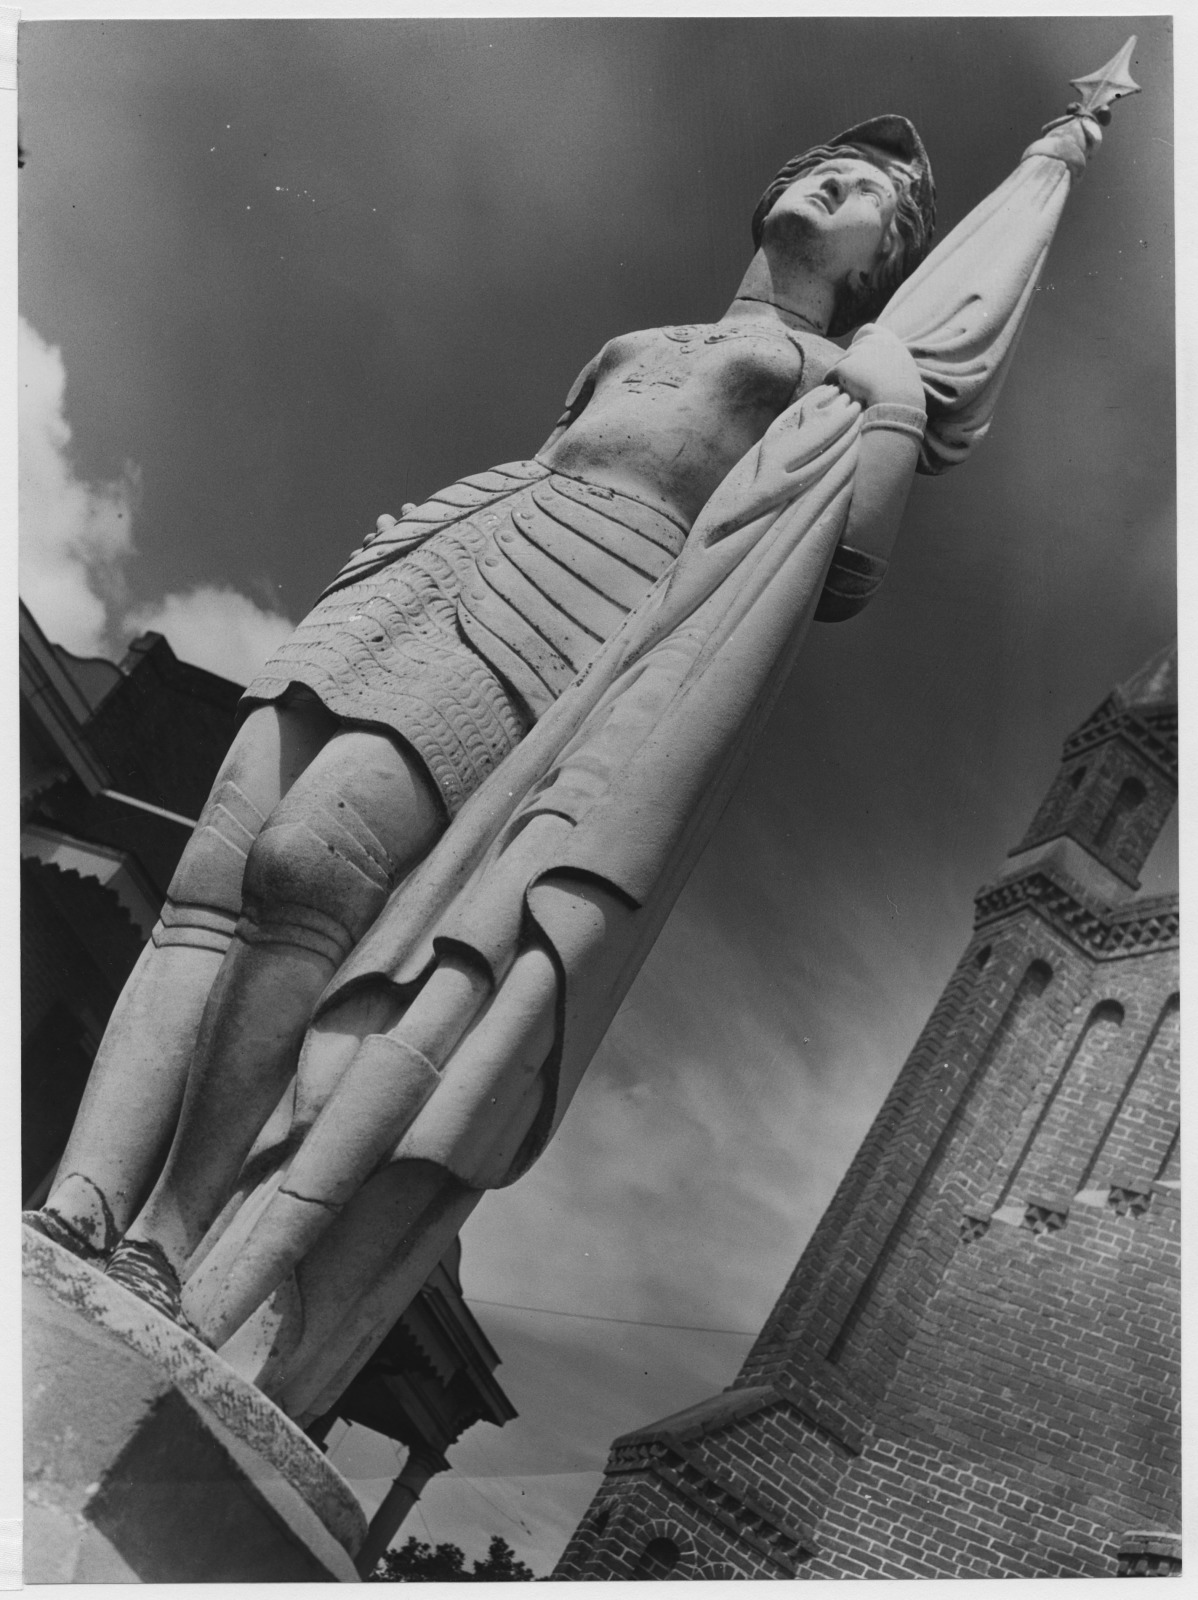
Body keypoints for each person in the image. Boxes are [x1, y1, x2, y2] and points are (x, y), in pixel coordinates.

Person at [32, 103, 1105, 1392]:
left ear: (886, 261)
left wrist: (887, 401)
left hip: (580, 594)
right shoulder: (632, 343)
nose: (835, 182)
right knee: (213, 877)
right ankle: (81, 1202)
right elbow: (561, 450)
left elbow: (850, 568)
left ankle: (172, 1236)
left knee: (308, 871)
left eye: (869, 190)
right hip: (451, 544)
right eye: (826, 163)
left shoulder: (840, 376)